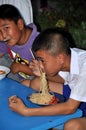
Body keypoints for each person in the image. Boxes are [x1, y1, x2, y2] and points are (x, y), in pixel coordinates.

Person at [8, 27, 86, 130]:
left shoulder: (84, 66)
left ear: (60, 58)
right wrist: (42, 73)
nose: (40, 64)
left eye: (42, 60)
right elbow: (63, 79)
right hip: (78, 93)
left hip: (77, 103)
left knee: (72, 126)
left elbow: (70, 108)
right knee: (34, 82)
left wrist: (26, 111)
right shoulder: (69, 56)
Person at [0, 4, 39, 82]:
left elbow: (47, 73)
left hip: (33, 76)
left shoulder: (40, 43)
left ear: (20, 24)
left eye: (6, 28)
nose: (2, 36)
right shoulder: (7, 39)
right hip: (14, 70)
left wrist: (21, 68)